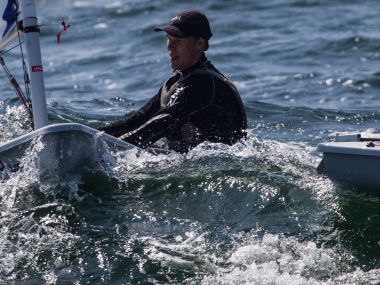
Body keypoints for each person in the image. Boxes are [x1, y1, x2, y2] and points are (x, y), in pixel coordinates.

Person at [98, 9, 247, 153]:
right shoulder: (179, 80)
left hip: (213, 167)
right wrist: (97, 134)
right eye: (168, 39)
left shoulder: (203, 84)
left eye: (177, 40)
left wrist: (111, 147)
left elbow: (161, 124)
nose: (170, 46)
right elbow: (138, 120)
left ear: (200, 44)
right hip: (186, 161)